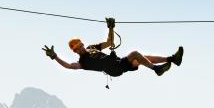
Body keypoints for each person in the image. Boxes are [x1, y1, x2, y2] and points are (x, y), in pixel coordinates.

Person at [42, 18, 183, 77]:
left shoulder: (92, 47)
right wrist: (55, 57)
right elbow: (69, 66)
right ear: (75, 51)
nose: (80, 49)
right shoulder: (83, 62)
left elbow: (109, 42)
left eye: (80, 46)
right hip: (113, 69)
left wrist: (110, 27)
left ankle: (172, 59)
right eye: (77, 49)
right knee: (135, 54)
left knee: (140, 58)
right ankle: (157, 69)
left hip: (118, 63)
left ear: (83, 44)